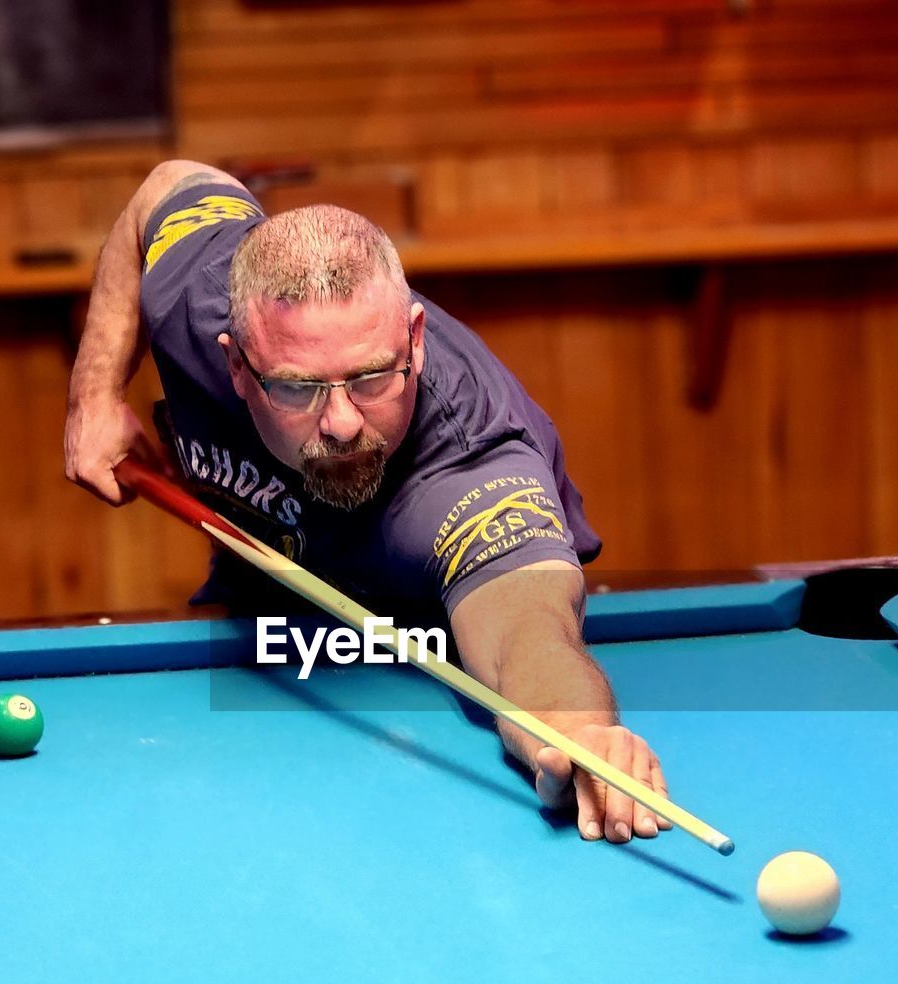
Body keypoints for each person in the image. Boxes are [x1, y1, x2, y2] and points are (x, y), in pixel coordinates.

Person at [64, 160, 670, 844]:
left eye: (373, 376)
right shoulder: (194, 291)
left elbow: (523, 629)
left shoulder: (473, 460)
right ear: (234, 362)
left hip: (415, 629)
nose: (343, 422)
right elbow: (163, 188)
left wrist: (582, 735)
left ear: (412, 337)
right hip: (271, 624)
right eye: (296, 388)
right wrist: (94, 394)